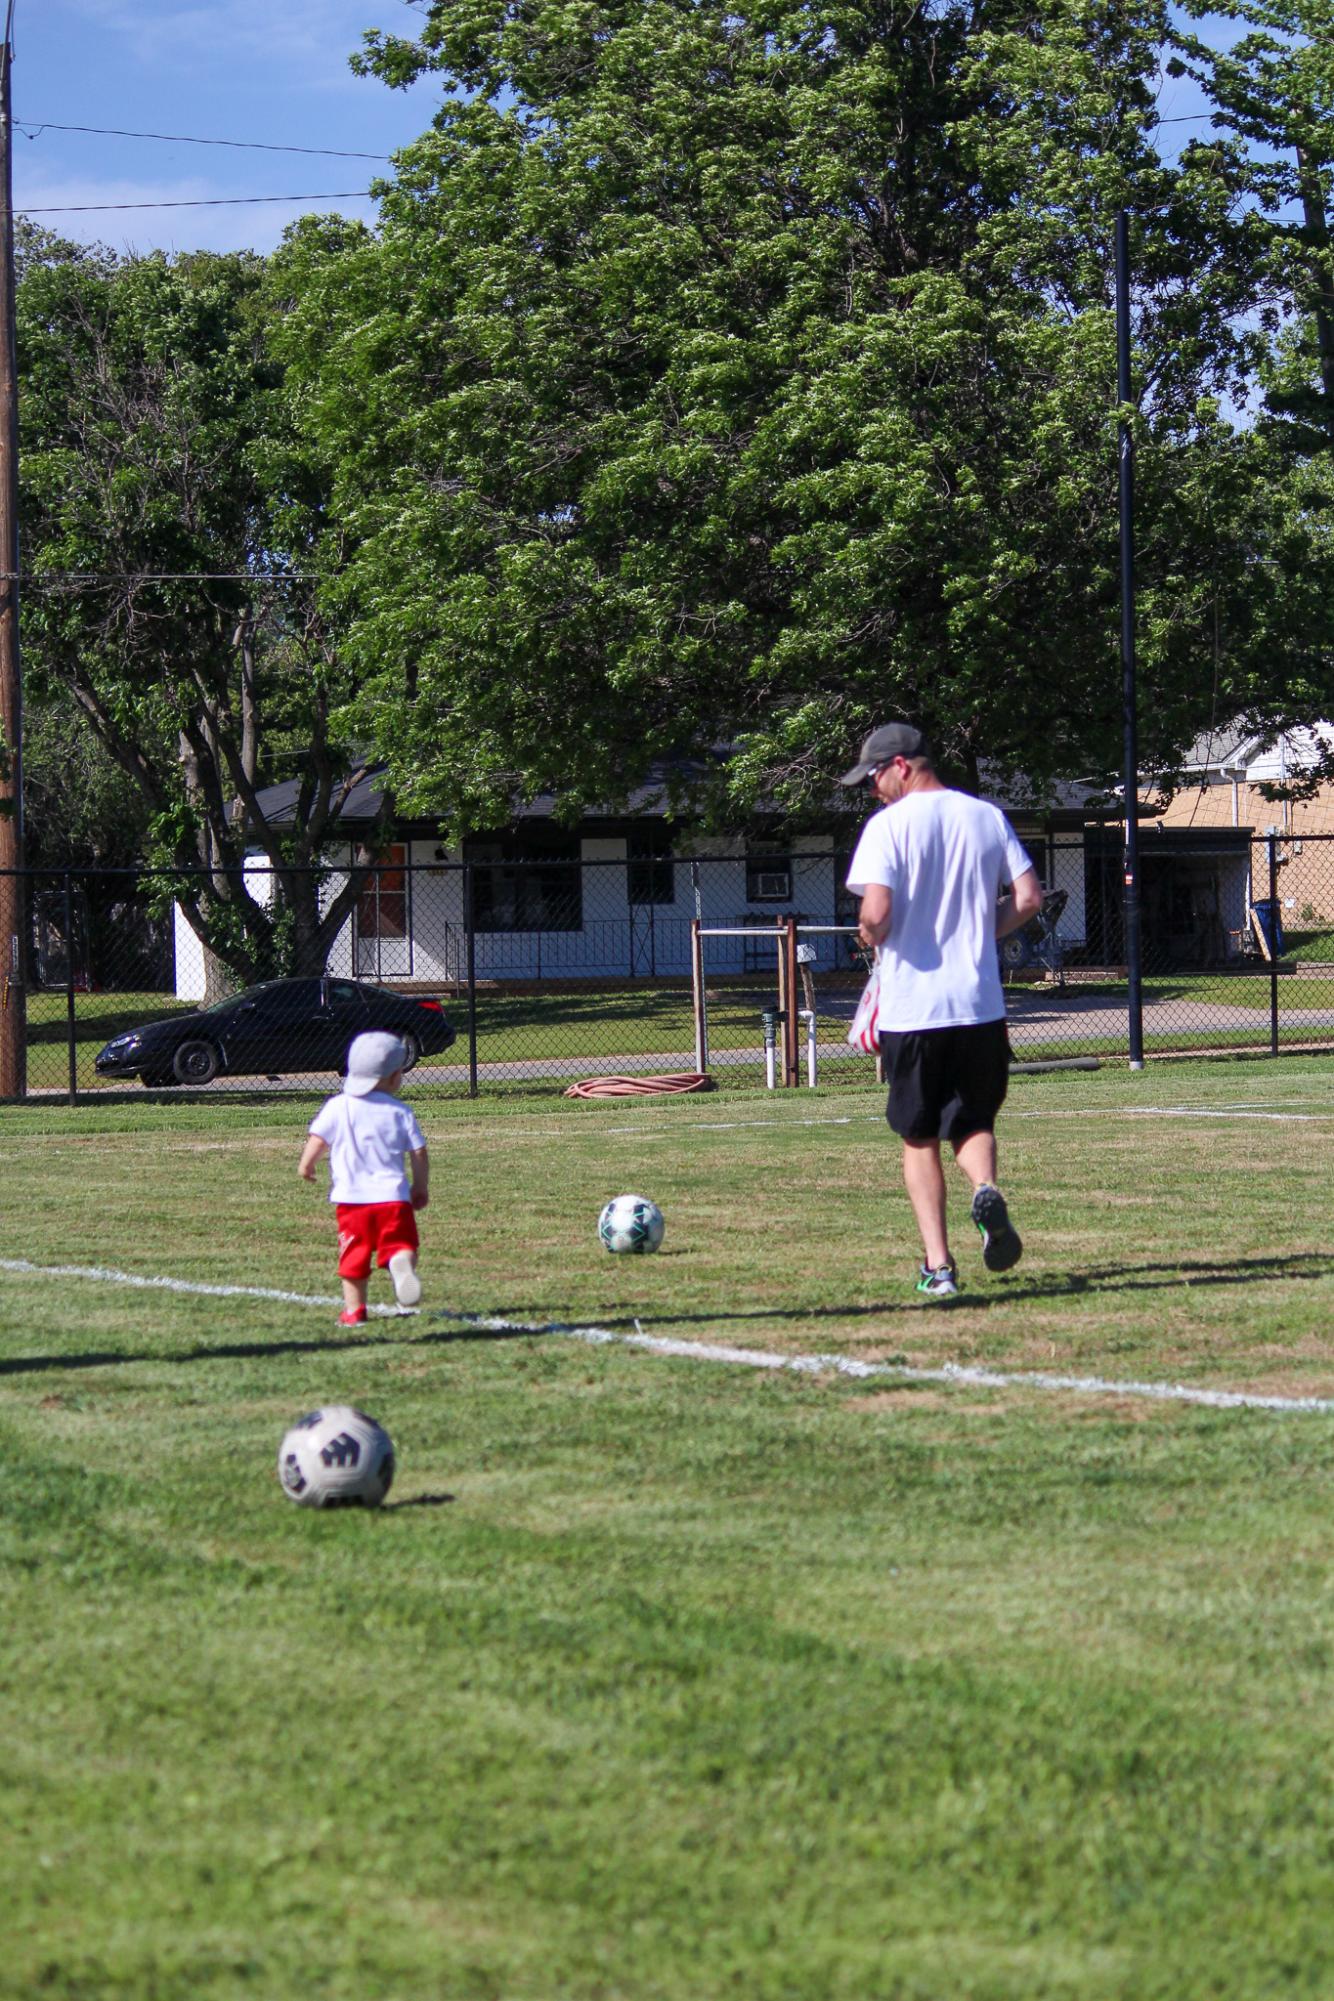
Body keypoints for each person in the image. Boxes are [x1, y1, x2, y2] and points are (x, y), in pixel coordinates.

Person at [842, 722, 1043, 1300]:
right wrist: (982, 934)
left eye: (874, 776)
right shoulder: (986, 817)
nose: (873, 789)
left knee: (920, 1134)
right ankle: (986, 1187)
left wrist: (866, 934)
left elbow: (877, 915)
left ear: (901, 765)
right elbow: (1028, 898)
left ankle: (939, 1266)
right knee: (974, 1120)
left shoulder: (887, 828)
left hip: (915, 1011)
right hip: (979, 1007)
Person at [297, 1029, 430, 1326]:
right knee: (401, 1245)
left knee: (353, 1257)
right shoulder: (400, 1112)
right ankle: (400, 1265)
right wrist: (419, 1186)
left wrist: (307, 1165)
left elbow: (318, 1139)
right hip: (393, 1199)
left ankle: (354, 1311)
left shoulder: (338, 1106)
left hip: (352, 1201)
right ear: (395, 1076)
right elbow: (418, 1151)